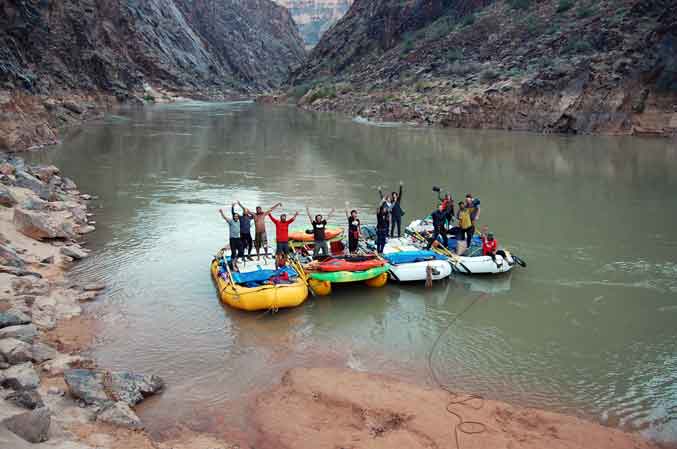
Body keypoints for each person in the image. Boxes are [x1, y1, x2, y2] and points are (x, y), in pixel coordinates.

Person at [219, 204, 242, 268]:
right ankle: (233, 265)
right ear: (233, 217)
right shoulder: (231, 221)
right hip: (232, 239)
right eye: (235, 216)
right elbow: (225, 218)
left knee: (241, 251)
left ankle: (235, 260)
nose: (236, 217)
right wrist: (221, 213)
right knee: (233, 252)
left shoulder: (239, 221)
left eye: (237, 216)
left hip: (238, 239)